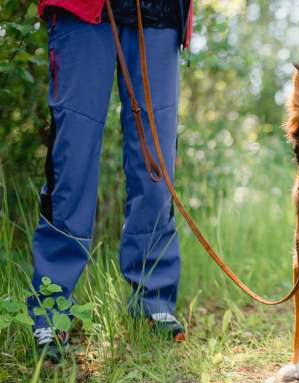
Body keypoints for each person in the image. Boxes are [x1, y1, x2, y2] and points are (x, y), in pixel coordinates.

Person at [29, 0, 193, 362]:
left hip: (159, 16)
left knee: (156, 166)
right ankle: (52, 310)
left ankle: (153, 304)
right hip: (82, 11)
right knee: (71, 166)